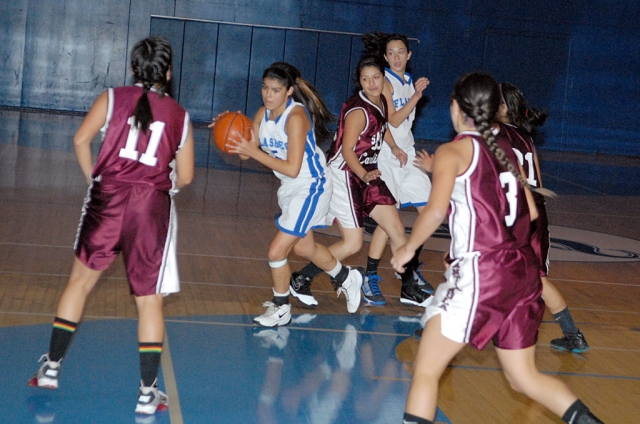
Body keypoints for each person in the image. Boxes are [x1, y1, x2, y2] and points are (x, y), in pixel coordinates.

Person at [391, 72, 603, 424]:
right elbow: (532, 211)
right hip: (522, 272)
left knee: (426, 371)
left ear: (456, 107)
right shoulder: (506, 149)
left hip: (482, 273)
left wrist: (408, 249)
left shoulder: (453, 150)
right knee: (523, 379)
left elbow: (434, 210)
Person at [27, 36, 195, 416]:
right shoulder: (180, 115)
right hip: (151, 207)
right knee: (149, 302)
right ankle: (147, 393)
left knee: (79, 284)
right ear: (168, 72)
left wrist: (95, 179)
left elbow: (79, 139)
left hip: (109, 198)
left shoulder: (111, 98)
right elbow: (184, 177)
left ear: (134, 68)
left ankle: (51, 370)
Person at [223, 62, 364, 325]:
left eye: (275, 90)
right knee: (305, 247)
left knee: (277, 252)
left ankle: (281, 307)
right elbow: (246, 153)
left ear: (289, 91)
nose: (268, 95)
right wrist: (229, 132)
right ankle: (346, 278)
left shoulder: (296, 117)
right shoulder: (261, 113)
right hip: (291, 187)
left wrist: (255, 153)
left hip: (311, 185)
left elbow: (292, 167)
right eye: (265, 88)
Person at [290, 56, 430, 309]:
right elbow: (346, 150)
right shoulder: (358, 110)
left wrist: (395, 147)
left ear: (383, 79)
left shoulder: (380, 101)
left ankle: (408, 288)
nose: (372, 83)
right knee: (353, 243)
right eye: (365, 79)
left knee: (397, 229)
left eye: (376, 77)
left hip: (367, 173)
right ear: (359, 83)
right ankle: (303, 277)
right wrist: (363, 175)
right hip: (346, 174)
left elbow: (383, 125)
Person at [498, 82, 589, 353]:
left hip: (517, 212)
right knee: (538, 280)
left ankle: (446, 326)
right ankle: (573, 334)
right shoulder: (525, 137)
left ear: (502, 107)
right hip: (537, 211)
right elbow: (536, 175)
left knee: (483, 268)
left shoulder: (496, 134)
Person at [359, 31, 434, 306]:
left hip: (407, 155)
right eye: (391, 53)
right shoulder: (386, 83)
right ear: (385, 57)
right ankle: (370, 275)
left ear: (409, 54)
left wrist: (414, 92)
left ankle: (409, 267)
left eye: (401, 51)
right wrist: (416, 97)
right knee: (388, 223)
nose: (396, 57)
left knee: (430, 212)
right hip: (386, 158)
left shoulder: (408, 80)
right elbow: (392, 119)